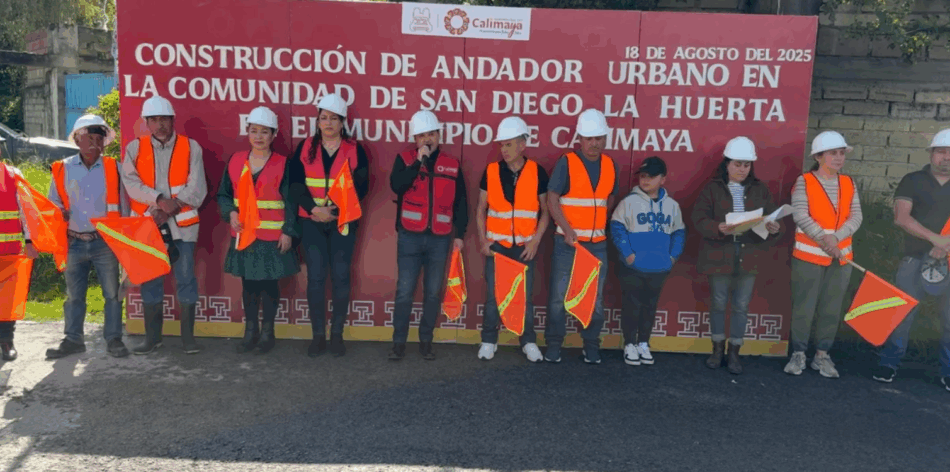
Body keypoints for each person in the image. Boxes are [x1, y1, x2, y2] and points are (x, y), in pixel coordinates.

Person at [121, 95, 208, 355]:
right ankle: (152, 339)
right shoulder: (134, 148)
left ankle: (188, 339)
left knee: (186, 279)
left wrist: (172, 207)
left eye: (165, 119)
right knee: (150, 281)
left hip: (183, 227)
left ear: (173, 120)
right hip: (149, 227)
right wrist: (159, 201)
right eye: (155, 120)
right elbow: (131, 184)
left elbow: (197, 186)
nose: (160, 125)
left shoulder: (191, 147)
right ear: (146, 122)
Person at [692, 137, 782, 375]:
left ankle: (734, 352)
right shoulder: (712, 188)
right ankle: (717, 349)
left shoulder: (760, 189)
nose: (742, 169)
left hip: (749, 255)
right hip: (719, 254)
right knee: (718, 303)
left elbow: (771, 219)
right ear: (727, 164)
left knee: (741, 306)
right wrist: (717, 227)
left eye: (746, 165)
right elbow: (698, 219)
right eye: (737, 164)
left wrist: (774, 228)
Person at [290, 93, 369, 358]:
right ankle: (317, 337)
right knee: (316, 278)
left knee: (341, 276)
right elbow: (295, 184)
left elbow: (361, 186)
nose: (328, 123)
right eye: (323, 118)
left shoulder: (354, 149)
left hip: (342, 221)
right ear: (317, 121)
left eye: (333, 118)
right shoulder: (304, 147)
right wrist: (314, 209)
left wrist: (333, 211)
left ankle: (337, 335)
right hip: (311, 221)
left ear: (342, 122)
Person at [46, 115, 130, 359]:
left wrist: (124, 243)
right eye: (89, 137)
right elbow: (52, 203)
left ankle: (114, 339)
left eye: (99, 138)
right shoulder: (62, 168)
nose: (95, 143)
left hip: (105, 242)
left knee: (112, 294)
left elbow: (125, 208)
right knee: (74, 296)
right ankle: (73, 340)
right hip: (73, 242)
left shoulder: (115, 167)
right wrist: (58, 212)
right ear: (77, 140)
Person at [873, 128, 950, 392]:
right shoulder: (913, 180)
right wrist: (935, 239)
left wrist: (945, 245)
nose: (946, 157)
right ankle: (889, 363)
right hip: (913, 258)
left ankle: (948, 371)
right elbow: (901, 218)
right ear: (931, 153)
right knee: (901, 313)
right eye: (941, 151)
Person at [218, 106, 299, 354]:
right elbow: (223, 195)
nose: (259, 136)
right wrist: (231, 213)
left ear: (274, 135)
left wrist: (288, 231)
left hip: (272, 237)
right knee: (249, 287)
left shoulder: (284, 164)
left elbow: (292, 202)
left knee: (269, 287)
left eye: (265, 132)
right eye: (254, 131)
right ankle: (250, 332)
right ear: (248, 132)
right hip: (245, 235)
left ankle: (267, 333)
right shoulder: (235, 160)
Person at [388, 110, 468, 361]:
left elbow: (461, 201)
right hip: (409, 236)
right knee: (404, 292)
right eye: (422, 135)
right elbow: (397, 186)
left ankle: (426, 342)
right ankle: (398, 343)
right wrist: (417, 163)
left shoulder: (452, 164)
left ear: (439, 136)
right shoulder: (405, 159)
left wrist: (460, 233)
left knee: (433, 292)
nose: (427, 139)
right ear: (415, 139)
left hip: (440, 239)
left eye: (431, 134)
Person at [784, 131, 862, 378]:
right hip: (808, 257)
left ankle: (822, 355)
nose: (839, 158)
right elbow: (800, 215)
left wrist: (835, 239)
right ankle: (798, 354)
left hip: (841, 258)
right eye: (833, 153)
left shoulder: (848, 183)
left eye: (841, 153)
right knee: (804, 307)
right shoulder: (804, 181)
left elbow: (856, 216)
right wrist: (825, 240)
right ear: (818, 157)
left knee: (832, 308)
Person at [545, 109, 618, 365]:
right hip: (567, 244)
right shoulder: (567, 162)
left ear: (605, 138)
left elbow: (610, 198)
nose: (594, 143)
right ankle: (554, 345)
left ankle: (591, 345)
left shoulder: (610, 165)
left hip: (597, 244)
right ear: (580, 139)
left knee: (595, 300)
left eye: (599, 138)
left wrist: (597, 225)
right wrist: (567, 229)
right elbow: (552, 199)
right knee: (559, 297)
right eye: (589, 138)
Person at [475, 116, 550, 362]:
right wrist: (483, 241)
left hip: (524, 248)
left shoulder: (537, 172)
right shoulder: (491, 171)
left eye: (509, 144)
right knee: (493, 297)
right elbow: (481, 209)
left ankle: (528, 341)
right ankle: (489, 340)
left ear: (522, 144)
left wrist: (535, 241)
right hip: (497, 247)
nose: (504, 149)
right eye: (502, 145)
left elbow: (545, 211)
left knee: (524, 299)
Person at [610, 156, 685, 366]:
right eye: (643, 176)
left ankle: (643, 343)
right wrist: (628, 254)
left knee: (650, 307)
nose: (645, 180)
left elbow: (679, 233)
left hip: (659, 267)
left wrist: (672, 257)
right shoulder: (628, 202)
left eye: (651, 176)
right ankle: (629, 344)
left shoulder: (672, 206)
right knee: (631, 305)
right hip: (633, 267)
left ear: (663, 179)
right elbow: (616, 228)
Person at [0, 136, 38, 362]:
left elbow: (27, 211)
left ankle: (6, 342)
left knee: (7, 300)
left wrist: (30, 242)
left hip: (10, 251)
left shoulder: (14, 175)